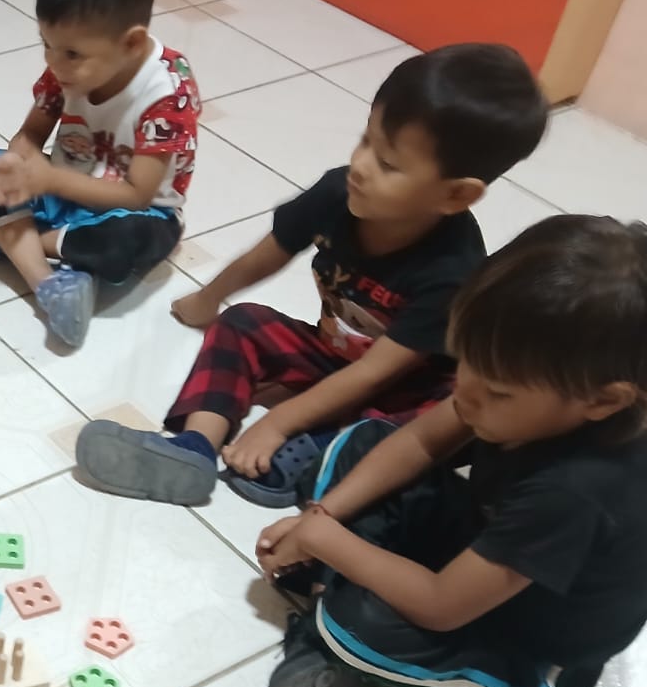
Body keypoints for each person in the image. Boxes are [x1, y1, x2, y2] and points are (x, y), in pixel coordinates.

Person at [76, 43, 548, 506]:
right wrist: (210, 297)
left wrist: (279, 423)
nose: (360, 165)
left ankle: (326, 452)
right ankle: (194, 448)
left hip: (407, 385)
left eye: (388, 163)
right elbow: (268, 255)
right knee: (243, 322)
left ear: (455, 195)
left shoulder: (453, 272)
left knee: (451, 412)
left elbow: (375, 375)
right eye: (366, 139)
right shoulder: (338, 192)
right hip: (335, 355)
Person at [254, 215, 647, 687]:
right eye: (465, 363)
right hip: (484, 543)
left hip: (522, 640)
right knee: (364, 443)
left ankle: (341, 627)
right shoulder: (516, 389)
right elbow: (420, 441)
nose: (466, 392)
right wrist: (323, 517)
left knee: (361, 628)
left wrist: (322, 539)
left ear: (603, 401)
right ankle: (339, 595)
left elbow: (442, 606)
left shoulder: (577, 491)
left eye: (498, 391)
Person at [0, 0, 200, 349]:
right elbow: (30, 135)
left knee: (130, 240)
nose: (54, 63)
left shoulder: (167, 91)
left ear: (131, 43)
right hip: (59, 193)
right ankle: (48, 283)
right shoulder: (65, 67)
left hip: (131, 212)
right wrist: (15, 166)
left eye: (72, 54)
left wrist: (47, 180)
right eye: (46, 45)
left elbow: (137, 195)